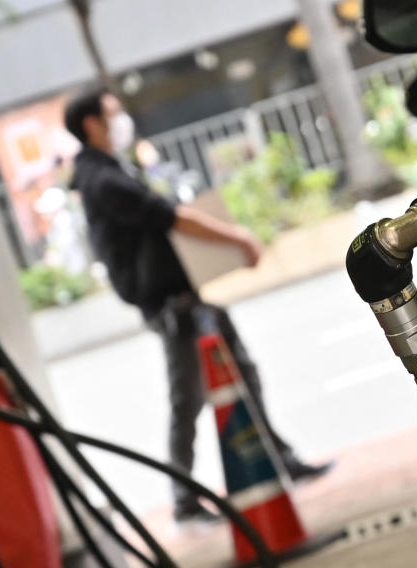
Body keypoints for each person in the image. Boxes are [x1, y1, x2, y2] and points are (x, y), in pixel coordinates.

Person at [65, 90, 331, 523]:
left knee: (241, 375)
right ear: (92, 124)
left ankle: (280, 460)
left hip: (185, 300)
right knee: (188, 400)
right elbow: (170, 216)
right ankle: (185, 501)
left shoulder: (107, 171)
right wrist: (238, 238)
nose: (122, 120)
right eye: (113, 114)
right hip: (172, 308)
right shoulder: (103, 180)